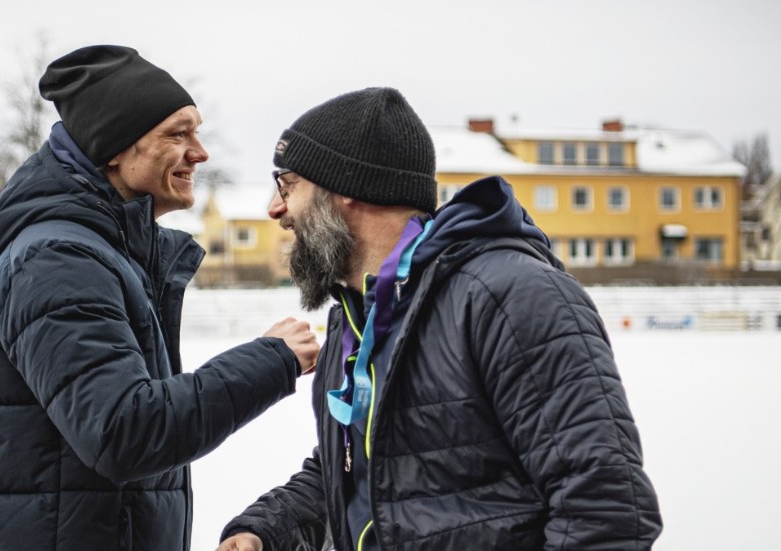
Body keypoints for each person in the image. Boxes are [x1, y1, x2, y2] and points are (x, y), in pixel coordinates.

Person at [217, 87, 662, 550]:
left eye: (288, 187)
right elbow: (362, 470)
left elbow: (605, 507)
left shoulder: (509, 295)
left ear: (345, 188)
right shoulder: (355, 319)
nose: (275, 209)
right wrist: (265, 529)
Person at [0, 45, 319, 551]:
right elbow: (124, 431)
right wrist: (270, 361)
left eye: (198, 132)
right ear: (114, 146)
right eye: (178, 133)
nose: (200, 152)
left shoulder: (105, 253)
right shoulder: (58, 261)